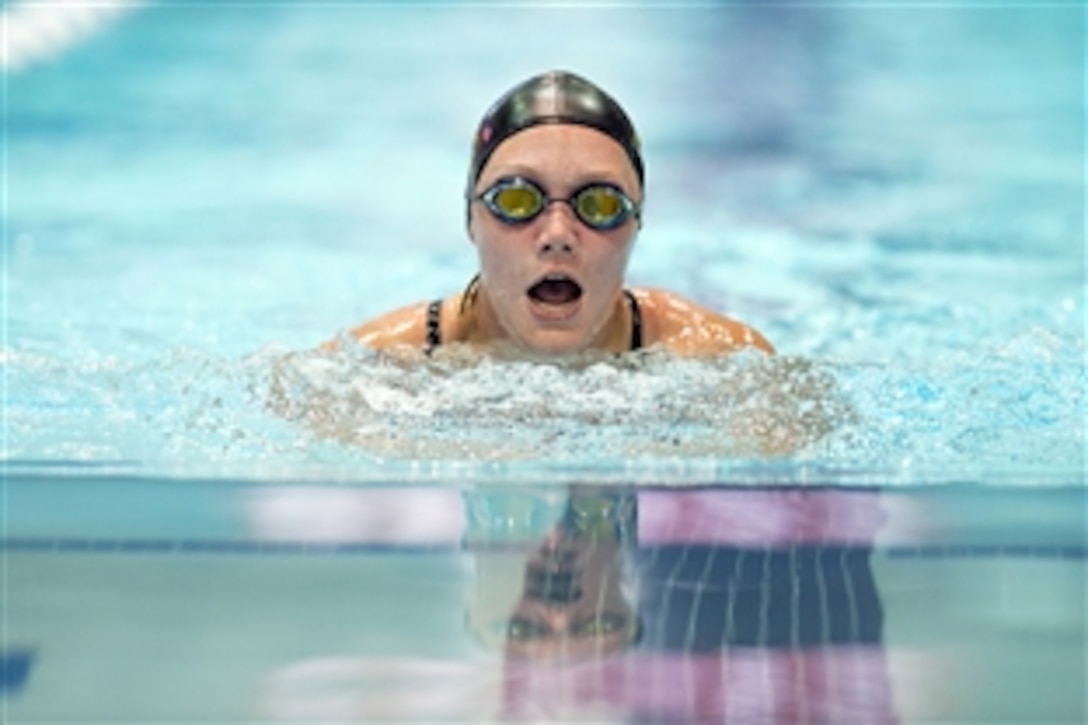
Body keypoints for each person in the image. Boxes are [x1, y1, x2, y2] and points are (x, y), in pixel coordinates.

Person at [339, 70, 774, 358]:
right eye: (516, 200)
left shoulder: (717, 357)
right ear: (470, 219)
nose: (558, 233)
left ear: (637, 223)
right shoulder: (377, 364)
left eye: (599, 204)